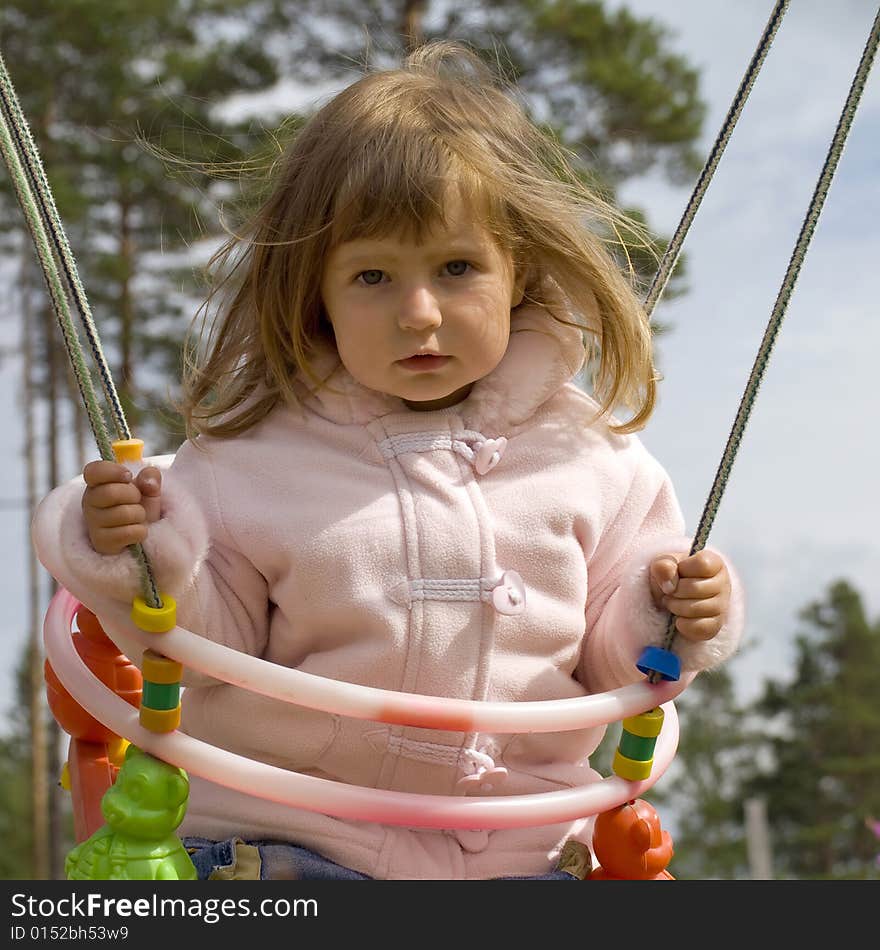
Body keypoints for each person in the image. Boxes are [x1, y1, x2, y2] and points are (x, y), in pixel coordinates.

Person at [33, 40, 745, 880]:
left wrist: (675, 611)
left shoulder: (597, 464)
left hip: (520, 853)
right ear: (316, 296)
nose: (418, 312)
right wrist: (137, 552)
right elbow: (195, 638)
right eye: (372, 275)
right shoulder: (247, 460)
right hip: (294, 838)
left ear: (517, 273)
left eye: (456, 269)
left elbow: (616, 661)